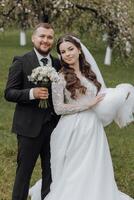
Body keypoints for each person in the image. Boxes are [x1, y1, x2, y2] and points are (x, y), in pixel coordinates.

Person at [29, 34, 134, 200]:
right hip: (73, 128)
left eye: (71, 49)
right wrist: (86, 105)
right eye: (63, 52)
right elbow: (58, 108)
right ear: (61, 56)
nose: (68, 54)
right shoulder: (60, 77)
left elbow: (101, 95)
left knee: (94, 164)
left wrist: (118, 96)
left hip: (93, 127)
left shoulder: (89, 72)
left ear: (79, 49)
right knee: (75, 166)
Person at [4, 23, 61, 200]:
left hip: (54, 127)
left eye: (49, 37)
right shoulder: (21, 61)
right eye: (42, 36)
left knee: (51, 172)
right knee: (24, 173)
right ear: (33, 38)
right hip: (28, 128)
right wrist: (31, 93)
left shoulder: (58, 63)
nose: (45, 40)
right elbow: (9, 93)